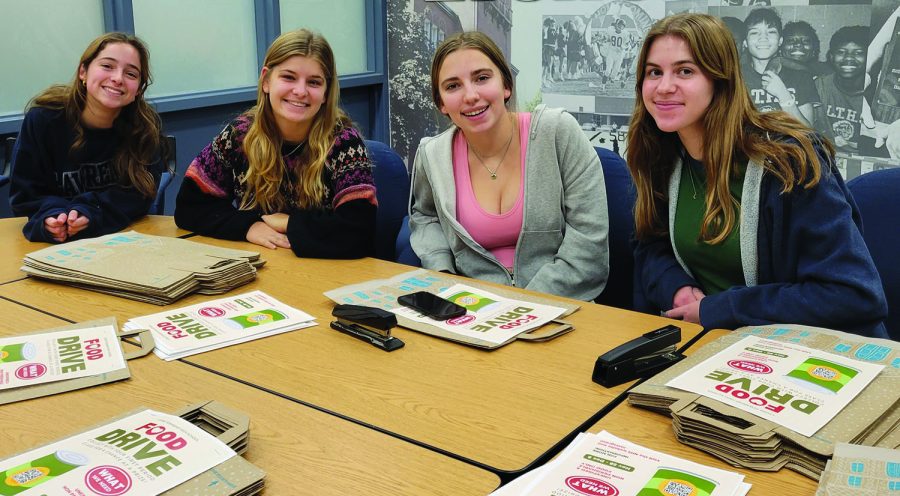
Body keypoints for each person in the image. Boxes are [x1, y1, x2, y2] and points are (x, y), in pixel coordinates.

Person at [627, 13, 888, 337]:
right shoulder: (661, 154)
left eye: (684, 70)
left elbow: (855, 295)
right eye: (654, 72)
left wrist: (720, 308)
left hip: (814, 357)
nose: (664, 87)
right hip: (715, 349)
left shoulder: (789, 161)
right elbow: (649, 245)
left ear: (720, 80)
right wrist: (677, 288)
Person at [409, 31, 609, 300]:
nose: (470, 95)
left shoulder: (557, 132)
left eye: (482, 78)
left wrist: (523, 306)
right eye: (453, 86)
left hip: (562, 304)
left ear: (506, 85)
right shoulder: (432, 155)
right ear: (441, 103)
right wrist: (442, 274)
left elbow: (588, 242)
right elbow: (425, 216)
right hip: (473, 308)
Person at [174, 29, 376, 258]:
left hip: (324, 271)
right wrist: (248, 226)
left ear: (326, 92)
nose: (300, 91)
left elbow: (359, 233)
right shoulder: (241, 135)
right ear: (266, 81)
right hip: (262, 266)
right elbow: (189, 207)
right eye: (288, 77)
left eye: (314, 82)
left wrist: (289, 224)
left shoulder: (345, 144)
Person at [10, 32, 165, 243]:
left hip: (120, 239)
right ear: (83, 71)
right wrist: (51, 217)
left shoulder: (145, 127)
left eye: (131, 74)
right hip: (53, 246)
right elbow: (25, 193)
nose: (118, 78)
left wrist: (91, 212)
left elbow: (140, 195)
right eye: (107, 66)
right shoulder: (43, 120)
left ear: (138, 89)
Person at [741, 8, 820, 125]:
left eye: (771, 32)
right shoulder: (736, 77)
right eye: (754, 32)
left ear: (780, 41)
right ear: (745, 42)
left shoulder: (801, 77)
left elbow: (808, 134)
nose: (763, 38)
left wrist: (783, 94)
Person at [814, 26, 867, 154]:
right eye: (841, 52)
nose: (848, 58)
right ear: (831, 57)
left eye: (858, 53)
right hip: (827, 158)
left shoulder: (879, 96)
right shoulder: (819, 86)